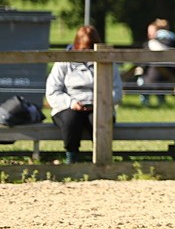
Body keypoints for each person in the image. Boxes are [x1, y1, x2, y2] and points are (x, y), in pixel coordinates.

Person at [45, 25, 122, 164]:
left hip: (99, 105)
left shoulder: (109, 63)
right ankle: (71, 157)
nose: (87, 52)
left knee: (99, 120)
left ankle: (102, 159)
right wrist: (71, 103)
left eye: (90, 49)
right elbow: (53, 91)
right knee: (71, 119)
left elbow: (116, 91)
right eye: (84, 49)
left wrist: (99, 103)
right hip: (69, 105)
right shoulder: (63, 62)